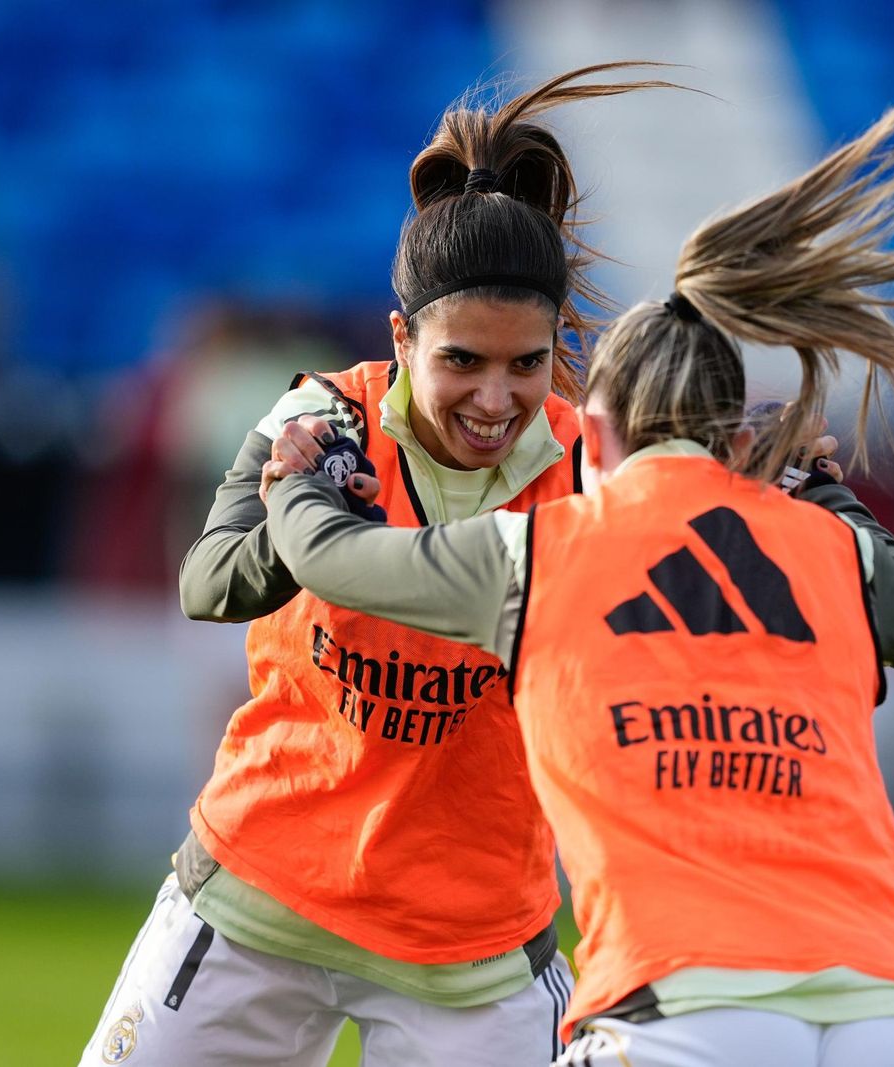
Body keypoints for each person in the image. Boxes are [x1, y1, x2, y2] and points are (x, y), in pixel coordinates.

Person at [260, 79, 894, 1066]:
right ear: (732, 436)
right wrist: (822, 490)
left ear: (591, 431)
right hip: (887, 1001)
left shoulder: (549, 546)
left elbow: (335, 562)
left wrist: (302, 474)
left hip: (683, 996)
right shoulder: (819, 542)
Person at [79, 64, 680, 1067]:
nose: (496, 398)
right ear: (402, 338)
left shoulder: (593, 468)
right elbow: (206, 584)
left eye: (525, 363)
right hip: (259, 898)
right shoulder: (321, 415)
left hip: (475, 948)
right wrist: (300, 508)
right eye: (462, 361)